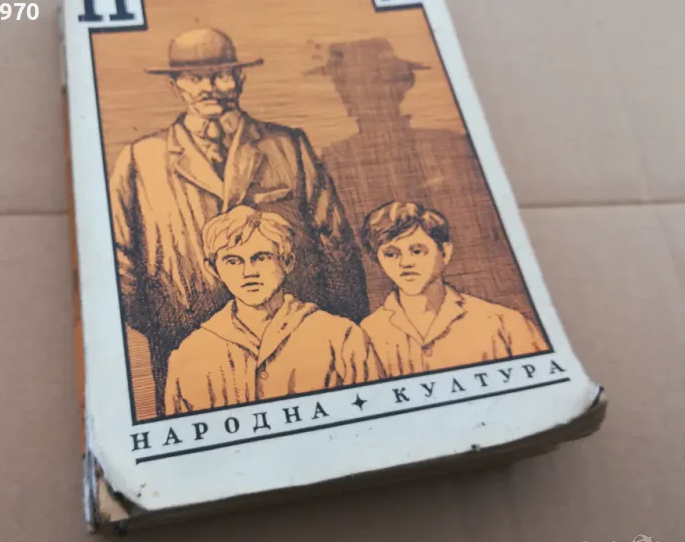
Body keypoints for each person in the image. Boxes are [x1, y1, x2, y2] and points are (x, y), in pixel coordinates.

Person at [109, 28, 369, 415]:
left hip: (299, 346)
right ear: (174, 85)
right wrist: (166, 325)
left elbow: (334, 243)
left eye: (220, 75)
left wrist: (341, 327)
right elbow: (119, 260)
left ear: (240, 78)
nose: (208, 88)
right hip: (190, 353)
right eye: (194, 78)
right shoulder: (140, 159)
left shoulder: (286, 145)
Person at [165, 206, 383, 414]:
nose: (249, 272)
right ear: (213, 269)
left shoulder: (341, 337)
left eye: (261, 258)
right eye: (233, 261)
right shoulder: (188, 356)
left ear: (287, 262)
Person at [360, 201, 547, 376]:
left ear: (445, 253)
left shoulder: (504, 324)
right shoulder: (367, 334)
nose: (405, 263)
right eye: (391, 254)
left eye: (417, 251)